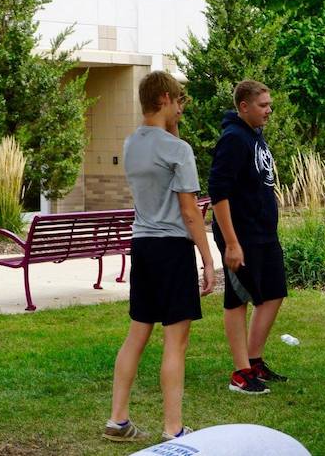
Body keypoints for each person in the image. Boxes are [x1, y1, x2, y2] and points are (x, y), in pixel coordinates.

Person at [104, 71, 215, 442]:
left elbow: (160, 162)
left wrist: (173, 126)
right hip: (172, 249)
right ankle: (173, 429)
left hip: (144, 247)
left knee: (137, 334)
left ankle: (117, 420)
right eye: (179, 101)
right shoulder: (178, 150)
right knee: (175, 341)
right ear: (166, 98)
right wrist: (208, 259)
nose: (181, 107)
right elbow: (189, 211)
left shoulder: (132, 143)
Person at [208, 80, 288, 395]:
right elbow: (218, 192)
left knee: (274, 292)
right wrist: (231, 242)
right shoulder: (233, 139)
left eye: (269, 104)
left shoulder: (254, 136)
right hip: (240, 236)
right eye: (263, 105)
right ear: (244, 106)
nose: (269, 110)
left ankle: (254, 359)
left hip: (264, 233)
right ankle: (240, 372)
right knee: (238, 298)